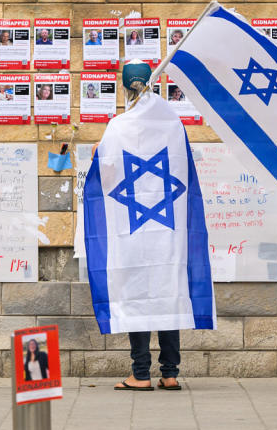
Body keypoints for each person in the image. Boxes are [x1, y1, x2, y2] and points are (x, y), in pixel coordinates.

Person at [82, 60, 213, 393]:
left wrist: (99, 157)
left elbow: (107, 177)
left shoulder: (118, 126)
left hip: (132, 229)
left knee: (136, 296)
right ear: (154, 84)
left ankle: (140, 374)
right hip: (168, 231)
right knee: (168, 295)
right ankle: (169, 373)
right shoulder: (172, 123)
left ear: (124, 88)